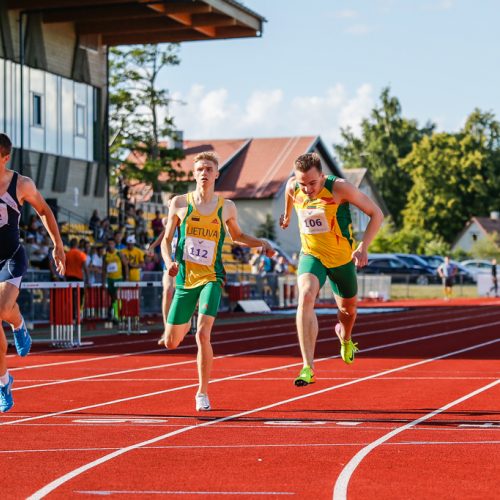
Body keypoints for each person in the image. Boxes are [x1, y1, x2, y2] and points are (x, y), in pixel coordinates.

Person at [161, 151, 274, 411]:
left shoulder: (227, 207)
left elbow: (238, 235)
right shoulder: (179, 203)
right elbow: (166, 240)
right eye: (199, 169)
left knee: (202, 333)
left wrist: (261, 243)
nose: (204, 173)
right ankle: (186, 315)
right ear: (194, 174)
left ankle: (202, 392)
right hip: (185, 279)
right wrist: (169, 263)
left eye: (208, 169)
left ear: (216, 174)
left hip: (212, 276)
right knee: (171, 342)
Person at [280, 152, 383, 387]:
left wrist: (363, 246)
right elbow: (289, 195)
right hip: (312, 256)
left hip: (342, 259)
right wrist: (286, 217)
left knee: (349, 312)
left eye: (312, 183)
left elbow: (377, 213)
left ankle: (345, 338)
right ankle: (308, 366)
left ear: (322, 176)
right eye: (302, 184)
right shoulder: (293, 186)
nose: (307, 189)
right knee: (305, 295)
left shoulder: (340, 188)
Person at [0, 132, 65, 412]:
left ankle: (18, 322)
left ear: (5, 157)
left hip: (11, 258)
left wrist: (58, 246)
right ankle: (4, 382)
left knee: (2, 309)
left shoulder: (21, 184)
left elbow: (44, 211)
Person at [148, 212, 177, 345]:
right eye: (170, 206)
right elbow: (163, 236)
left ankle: (182, 325)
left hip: (185, 265)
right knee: (167, 292)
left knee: (187, 297)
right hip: (169, 265)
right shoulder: (170, 222)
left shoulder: (187, 220)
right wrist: (152, 246)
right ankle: (167, 329)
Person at [102, 238, 128, 321]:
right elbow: (104, 269)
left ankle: (117, 315)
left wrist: (126, 277)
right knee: (113, 298)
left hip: (118, 279)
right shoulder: (105, 255)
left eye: (112, 244)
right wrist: (103, 281)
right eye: (109, 244)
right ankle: (114, 313)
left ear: (114, 245)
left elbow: (125, 265)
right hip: (110, 279)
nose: (110, 246)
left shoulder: (119, 253)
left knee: (117, 296)